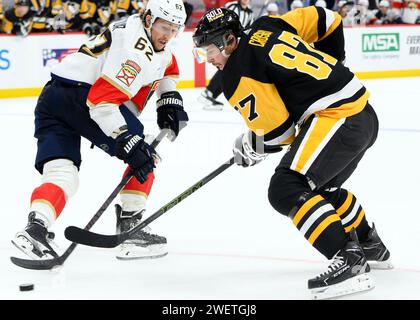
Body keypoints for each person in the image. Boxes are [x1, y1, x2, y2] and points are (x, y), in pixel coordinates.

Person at [192, 6, 392, 299]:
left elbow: (279, 133)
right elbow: (328, 18)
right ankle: (368, 243)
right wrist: (334, 63)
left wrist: (251, 147)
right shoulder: (268, 25)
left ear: (230, 41)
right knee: (319, 190)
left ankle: (349, 260)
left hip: (338, 117)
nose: (208, 59)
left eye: (210, 50)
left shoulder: (237, 73)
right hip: (362, 114)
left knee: (286, 188)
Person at [12, 0, 189, 261]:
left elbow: (168, 66)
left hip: (52, 97)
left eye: (174, 29)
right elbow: (101, 102)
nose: (168, 35)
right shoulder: (135, 52)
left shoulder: (137, 26)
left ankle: (35, 229)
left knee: (62, 172)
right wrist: (127, 140)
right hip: (83, 100)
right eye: (165, 27)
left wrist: (168, 99)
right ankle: (130, 227)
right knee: (144, 151)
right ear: (150, 19)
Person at [199, 0, 254, 111]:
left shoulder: (250, 12)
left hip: (236, 43)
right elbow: (220, 20)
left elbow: (248, 29)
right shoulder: (232, 6)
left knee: (227, 68)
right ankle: (209, 93)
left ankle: (210, 94)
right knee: (225, 67)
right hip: (224, 41)